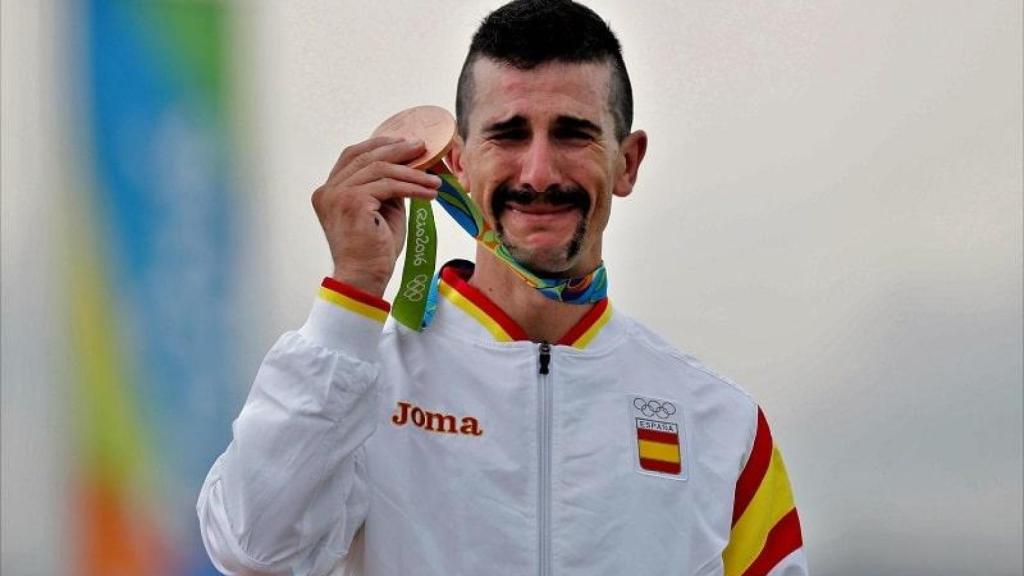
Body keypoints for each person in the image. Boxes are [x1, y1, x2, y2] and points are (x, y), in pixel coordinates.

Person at [198, 1, 808, 574]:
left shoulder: (723, 427)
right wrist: (351, 296)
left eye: (572, 134)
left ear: (628, 161)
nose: (538, 173)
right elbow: (252, 552)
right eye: (508, 134)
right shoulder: (357, 387)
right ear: (458, 161)